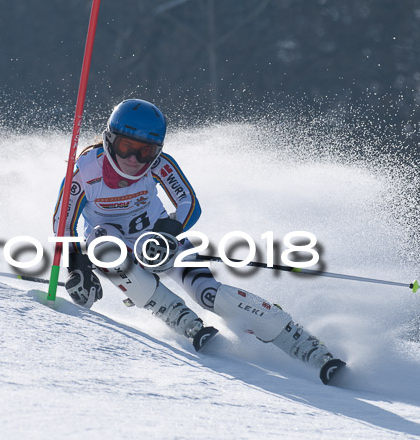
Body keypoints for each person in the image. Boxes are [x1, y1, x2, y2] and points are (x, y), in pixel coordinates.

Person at [52, 99, 346, 384]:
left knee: (209, 294)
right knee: (104, 244)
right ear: (109, 139)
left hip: (157, 243)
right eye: (126, 147)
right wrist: (78, 268)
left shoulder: (160, 165)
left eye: (145, 151)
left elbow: (188, 203)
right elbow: (62, 225)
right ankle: (175, 314)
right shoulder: (84, 173)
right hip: (114, 249)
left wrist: (168, 232)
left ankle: (298, 340)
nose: (134, 159)